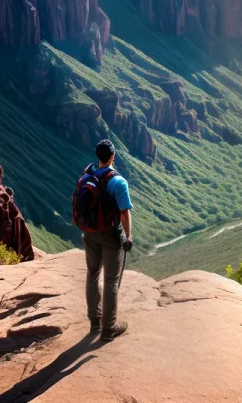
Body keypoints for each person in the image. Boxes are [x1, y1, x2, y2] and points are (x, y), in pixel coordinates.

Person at [83, 139, 133, 341]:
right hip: (111, 235)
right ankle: (108, 328)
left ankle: (95, 321)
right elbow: (124, 213)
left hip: (89, 233)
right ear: (112, 156)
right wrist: (128, 236)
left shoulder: (88, 174)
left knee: (92, 274)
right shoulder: (118, 182)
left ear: (98, 157)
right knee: (111, 280)